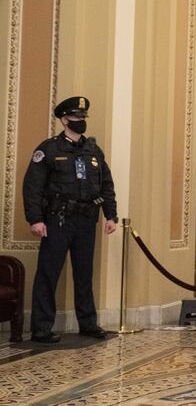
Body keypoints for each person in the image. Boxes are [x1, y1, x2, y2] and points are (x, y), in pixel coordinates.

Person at [23, 96, 118, 343]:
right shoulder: (49, 149)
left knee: (84, 273)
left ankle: (88, 323)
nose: (81, 121)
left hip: (87, 219)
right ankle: (42, 328)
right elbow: (32, 187)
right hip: (58, 219)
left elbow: (106, 184)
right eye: (76, 118)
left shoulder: (93, 150)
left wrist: (111, 215)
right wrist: (35, 219)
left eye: (83, 118)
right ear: (64, 120)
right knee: (48, 273)